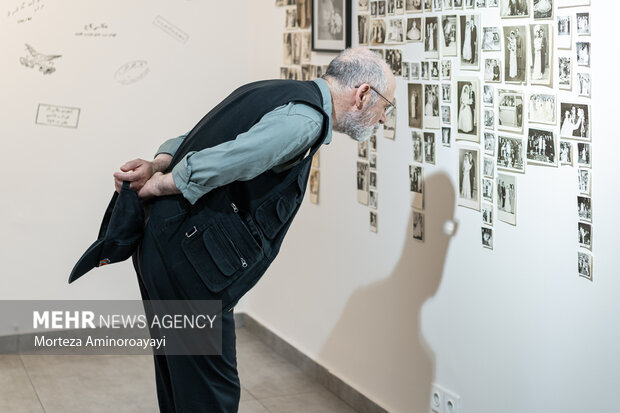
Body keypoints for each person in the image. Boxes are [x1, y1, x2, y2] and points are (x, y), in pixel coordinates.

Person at [112, 47, 396, 412]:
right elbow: (233, 156)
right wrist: (161, 183)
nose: (384, 119)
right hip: (187, 261)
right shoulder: (306, 121)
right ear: (362, 95)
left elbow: (202, 134)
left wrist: (158, 163)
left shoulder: (272, 90)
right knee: (211, 395)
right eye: (386, 106)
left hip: (163, 245)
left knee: (180, 380)